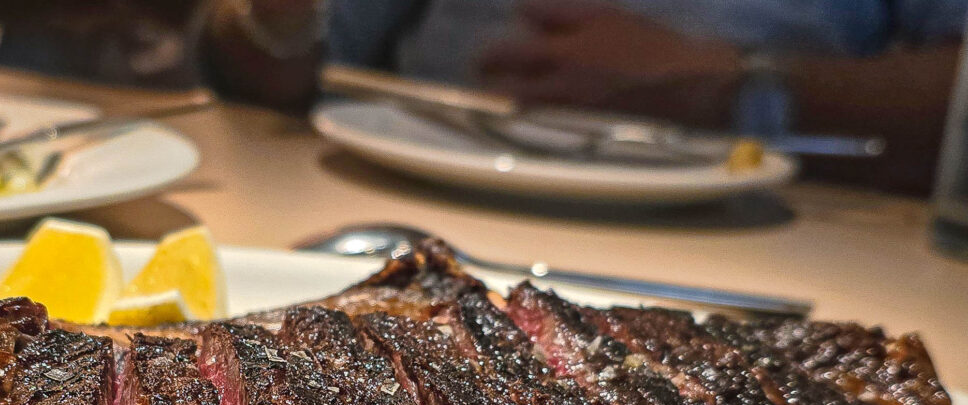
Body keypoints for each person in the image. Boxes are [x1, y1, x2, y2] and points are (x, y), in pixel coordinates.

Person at [199, 0, 968, 192]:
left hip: (777, 225)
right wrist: (274, 20)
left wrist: (739, 80)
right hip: (390, 185)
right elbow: (270, 75)